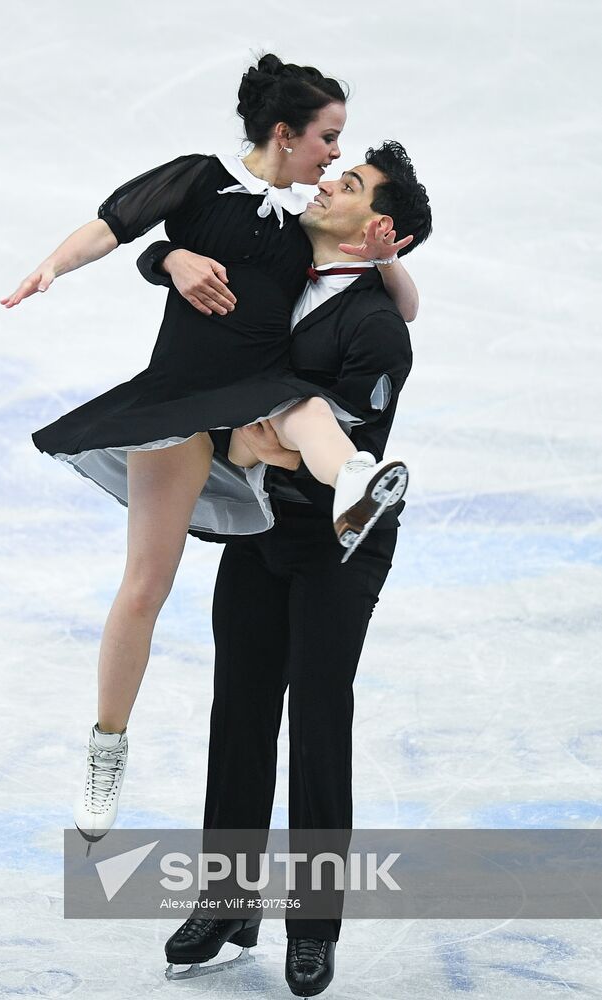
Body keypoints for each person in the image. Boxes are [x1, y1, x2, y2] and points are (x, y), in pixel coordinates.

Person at [0, 54, 420, 843]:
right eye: (328, 138)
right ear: (284, 133)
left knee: (303, 410)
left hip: (255, 392)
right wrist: (134, 259)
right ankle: (106, 747)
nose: (334, 154)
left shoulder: (307, 223)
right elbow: (116, 223)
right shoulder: (199, 182)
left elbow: (397, 297)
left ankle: (359, 485)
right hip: (177, 402)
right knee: (144, 586)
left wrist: (388, 252)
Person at [148, 140, 432, 996]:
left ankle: (313, 927)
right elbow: (169, 254)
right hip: (257, 529)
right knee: (237, 712)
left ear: (375, 226)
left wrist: (245, 436)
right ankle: (227, 899)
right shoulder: (275, 273)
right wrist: (167, 253)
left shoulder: (374, 324)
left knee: (314, 722)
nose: (323, 186)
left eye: (346, 185)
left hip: (337, 543)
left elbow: (332, 448)